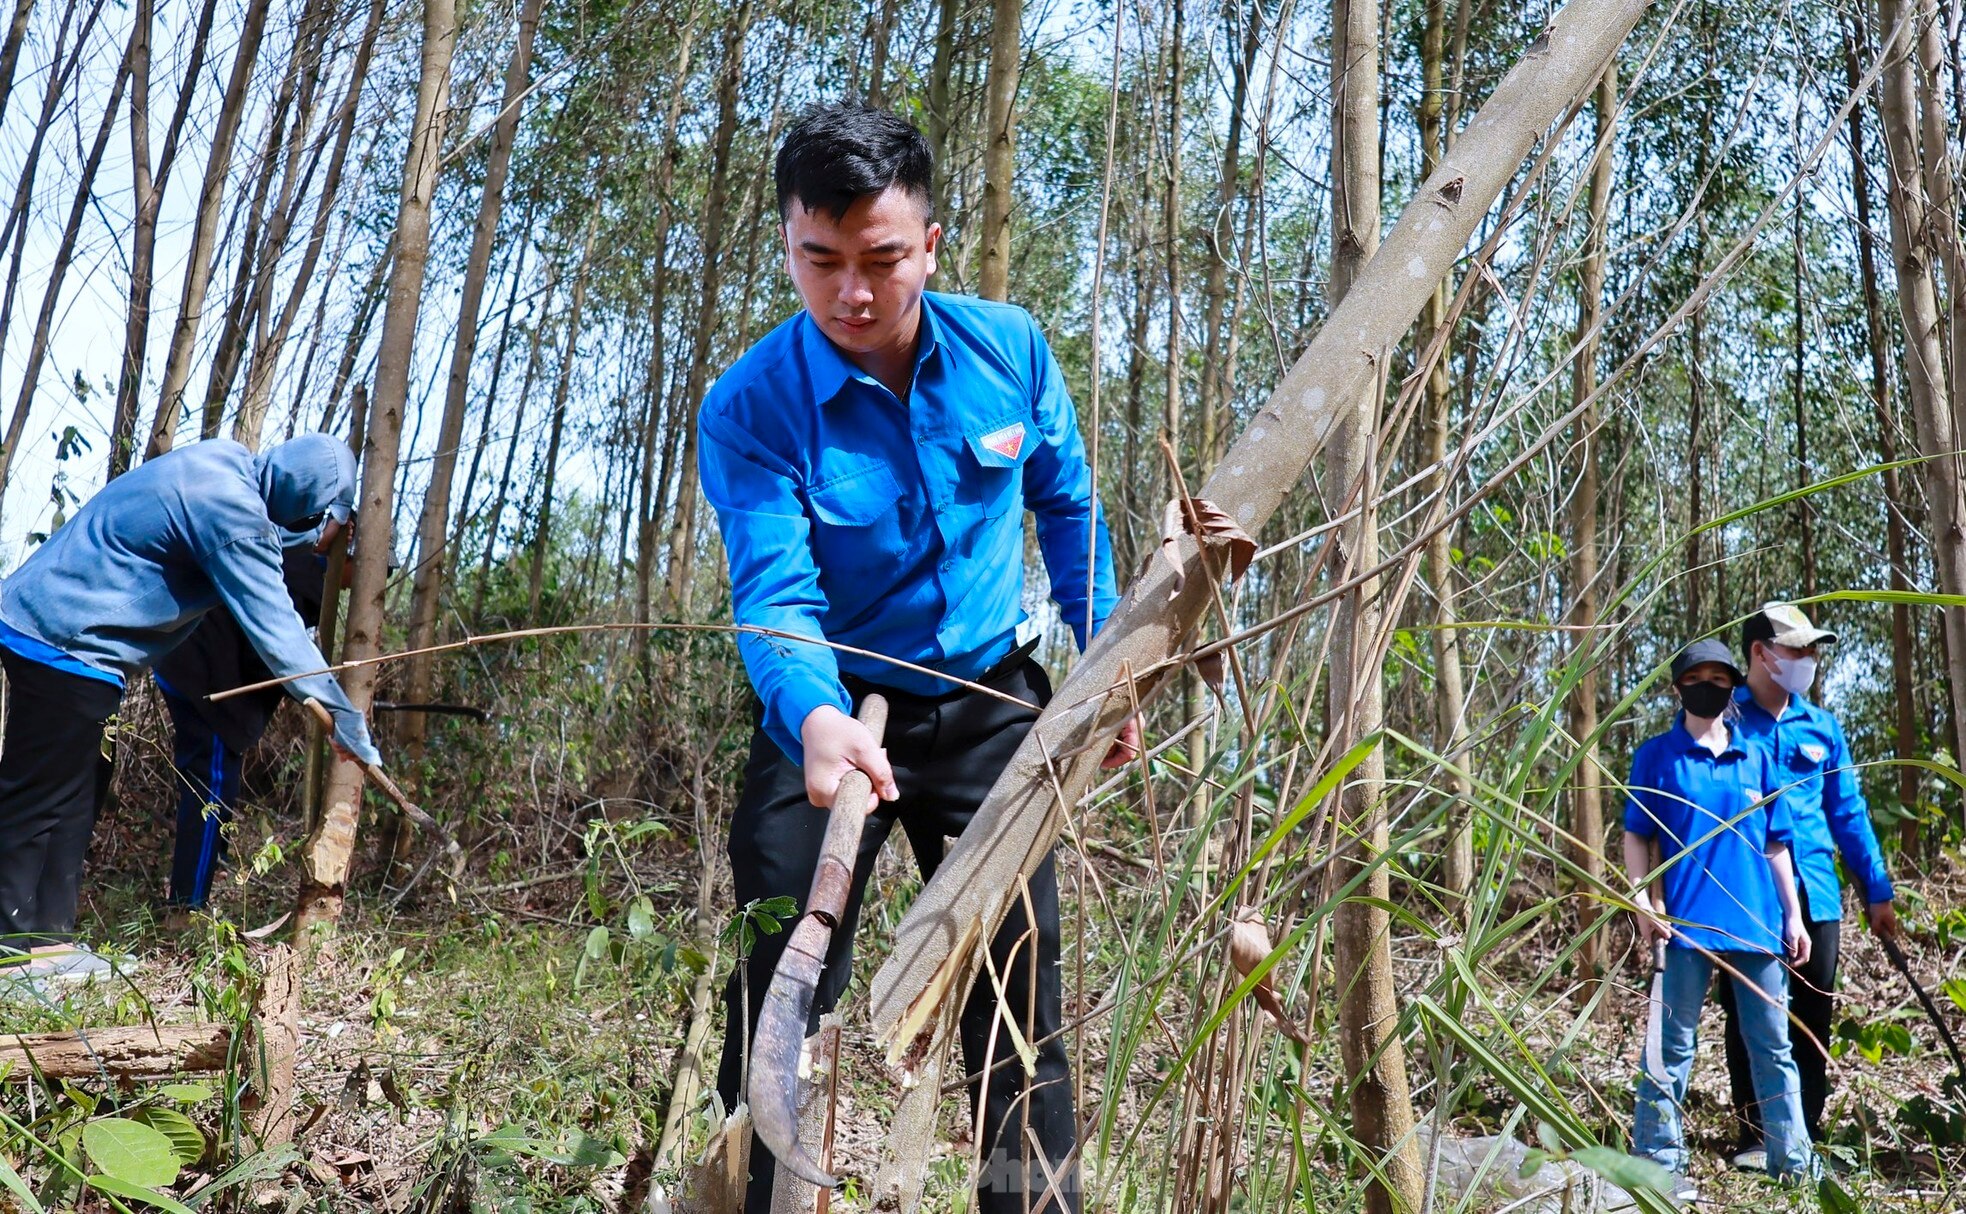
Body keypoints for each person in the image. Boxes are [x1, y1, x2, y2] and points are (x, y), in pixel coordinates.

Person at [699, 103, 1136, 1213]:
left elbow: (1069, 510)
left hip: (992, 701)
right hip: (829, 714)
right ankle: (761, 1195)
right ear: (788, 246)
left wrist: (1110, 664)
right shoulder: (749, 407)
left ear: (930, 245)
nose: (853, 292)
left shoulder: (1010, 351)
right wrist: (812, 711)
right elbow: (774, 590)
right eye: (822, 261)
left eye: (883, 260)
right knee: (778, 983)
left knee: (1014, 993)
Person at [0, 434, 380, 986]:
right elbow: (278, 631)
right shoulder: (232, 515)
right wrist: (344, 715)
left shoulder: (223, 463)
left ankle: (48, 945)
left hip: (85, 649)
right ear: (308, 503)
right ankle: (9, 957)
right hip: (61, 635)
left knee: (79, 794)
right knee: (38, 799)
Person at [1624, 638, 1816, 1190]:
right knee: (1670, 1048)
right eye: (1697, 676)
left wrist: (1793, 916)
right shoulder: (1655, 756)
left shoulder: (1757, 754)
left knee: (1774, 1048)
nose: (1708, 685)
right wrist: (1641, 901)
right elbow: (1637, 838)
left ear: (1733, 685)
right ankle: (1659, 1166)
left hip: (1756, 924)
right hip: (1682, 926)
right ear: (1679, 685)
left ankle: (1794, 1166)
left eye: (1719, 676)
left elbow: (1777, 843)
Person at [1717, 602, 1899, 1169]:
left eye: (1811, 650)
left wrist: (1876, 888)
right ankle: (1755, 1135)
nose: (1808, 660)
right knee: (1750, 1012)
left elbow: (1848, 811)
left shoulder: (1822, 727)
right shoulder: (1721, 721)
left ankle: (1802, 1134)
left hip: (1817, 889)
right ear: (1760, 653)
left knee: (1812, 1014)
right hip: (1744, 893)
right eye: (1797, 649)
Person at [154, 538, 332, 911]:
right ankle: (187, 908)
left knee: (215, 786)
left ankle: (199, 881)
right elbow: (266, 652)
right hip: (207, 678)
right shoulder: (308, 579)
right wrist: (306, 686)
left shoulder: (297, 560)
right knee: (211, 790)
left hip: (189, 664)